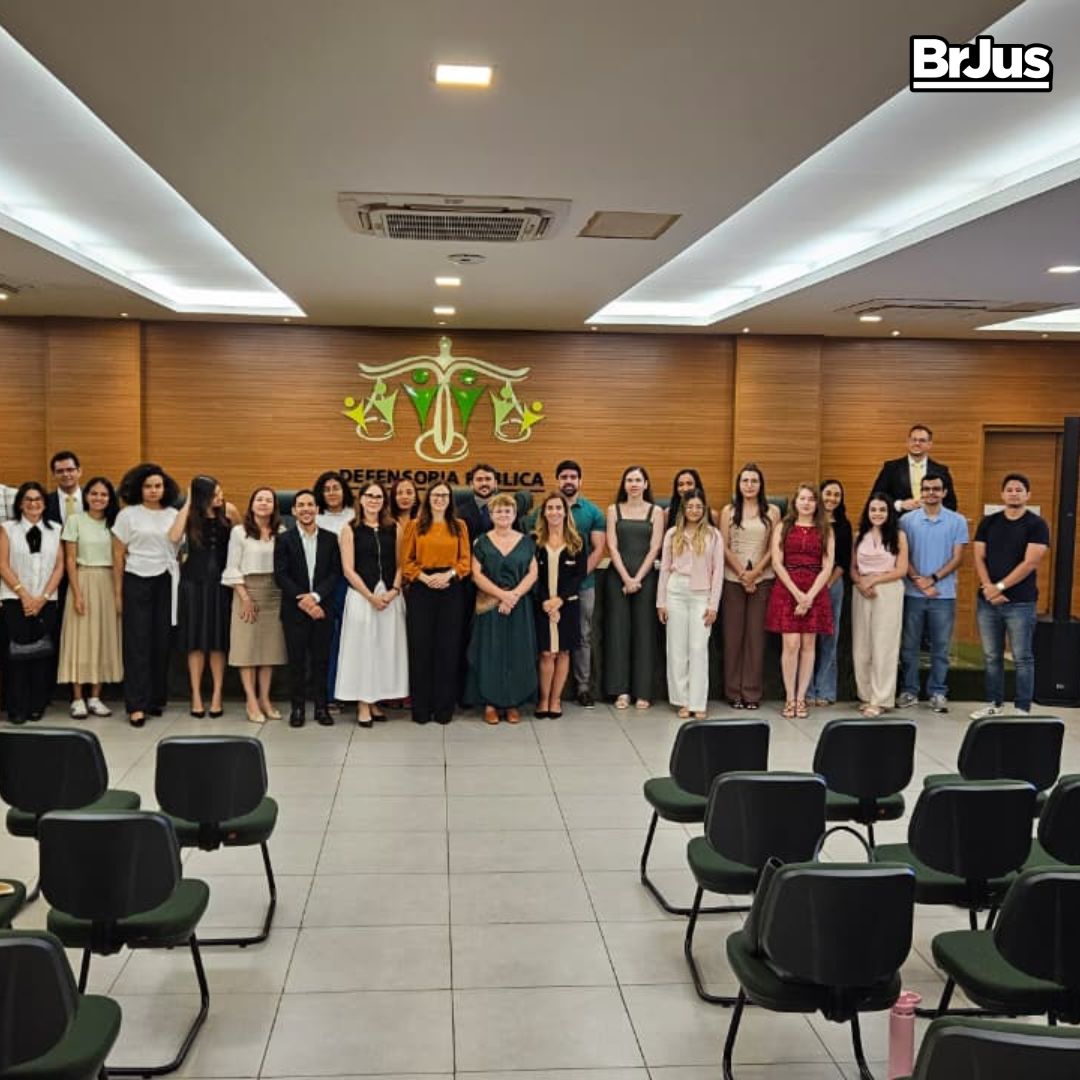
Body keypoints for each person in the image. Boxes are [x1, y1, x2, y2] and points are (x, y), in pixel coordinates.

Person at [971, 473, 1050, 719]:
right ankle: (994, 703)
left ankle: (1021, 707)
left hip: (1021, 603)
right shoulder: (989, 522)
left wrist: (1000, 587)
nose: (1014, 493)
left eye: (1019, 490)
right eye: (1010, 489)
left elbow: (1030, 562)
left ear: (1028, 495)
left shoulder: (1037, 525)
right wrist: (988, 587)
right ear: (1002, 494)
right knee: (991, 655)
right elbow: (978, 556)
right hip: (987, 602)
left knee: (1022, 657)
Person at [111, 463, 181, 727]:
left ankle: (154, 699)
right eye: (148, 486)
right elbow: (117, 556)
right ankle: (136, 705)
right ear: (139, 488)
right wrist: (118, 594)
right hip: (136, 579)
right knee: (137, 644)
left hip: (165, 580)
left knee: (160, 642)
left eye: (158, 486)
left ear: (166, 488)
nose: (153, 491)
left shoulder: (173, 514)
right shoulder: (128, 515)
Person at [335, 482, 407, 726]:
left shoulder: (394, 527)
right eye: (369, 496)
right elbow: (348, 569)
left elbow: (401, 564)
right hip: (361, 598)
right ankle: (362, 704)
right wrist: (370, 596)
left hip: (389, 598)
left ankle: (375, 699)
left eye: (379, 497)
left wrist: (394, 590)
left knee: (383, 651)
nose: (374, 500)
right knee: (363, 651)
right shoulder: (349, 529)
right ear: (361, 499)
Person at [896, 472, 968, 713]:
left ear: (944, 492)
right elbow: (902, 556)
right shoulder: (906, 520)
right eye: (926, 489)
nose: (930, 493)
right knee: (909, 646)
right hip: (912, 593)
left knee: (940, 647)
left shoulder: (957, 521)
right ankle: (909, 690)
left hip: (943, 595)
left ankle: (938, 692)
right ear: (921, 491)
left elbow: (958, 558)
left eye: (936, 489)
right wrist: (918, 580)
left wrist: (933, 579)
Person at [401, 482, 471, 724]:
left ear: (450, 499)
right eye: (435, 495)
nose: (440, 499)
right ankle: (421, 708)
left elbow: (465, 562)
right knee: (421, 648)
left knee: (447, 649)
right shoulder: (414, 525)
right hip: (422, 588)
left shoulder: (459, 526)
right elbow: (406, 561)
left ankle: (443, 709)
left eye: (444, 495)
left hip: (451, 588)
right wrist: (424, 577)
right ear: (428, 498)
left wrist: (448, 575)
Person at [764, 483, 835, 719]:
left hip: (815, 589)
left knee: (808, 646)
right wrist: (797, 594)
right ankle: (789, 697)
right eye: (802, 498)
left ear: (817, 504)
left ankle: (802, 698)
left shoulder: (825, 529)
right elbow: (776, 563)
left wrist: (810, 596)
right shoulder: (783, 526)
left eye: (811, 499)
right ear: (795, 502)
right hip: (787, 588)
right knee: (791, 645)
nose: (806, 503)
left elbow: (828, 566)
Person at [171, 476, 238, 717]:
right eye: (215, 494)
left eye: (221, 492)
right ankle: (196, 696)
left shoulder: (229, 511)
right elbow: (173, 537)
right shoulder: (189, 515)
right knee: (195, 643)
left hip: (220, 584)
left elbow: (239, 541)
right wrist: (189, 501)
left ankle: (218, 694)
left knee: (218, 642)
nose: (220, 497)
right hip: (193, 584)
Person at [468, 492, 538, 724]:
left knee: (517, 653)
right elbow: (475, 574)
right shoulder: (481, 541)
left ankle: (512, 703)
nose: (503, 514)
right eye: (498, 511)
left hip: (519, 606)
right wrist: (502, 595)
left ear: (514, 514)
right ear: (491, 514)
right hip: (489, 606)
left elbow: (533, 573)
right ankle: (490, 703)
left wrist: (514, 596)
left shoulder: (527, 541)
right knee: (490, 653)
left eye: (508, 510)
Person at [275, 489, 342, 728]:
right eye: (300, 505)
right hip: (294, 611)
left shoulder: (331, 538)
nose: (305, 509)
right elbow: (280, 575)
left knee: (321, 661)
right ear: (293, 511)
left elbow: (335, 573)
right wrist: (303, 601)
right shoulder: (284, 539)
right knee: (297, 662)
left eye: (310, 504)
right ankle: (298, 708)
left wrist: (315, 597)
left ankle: (322, 708)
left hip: (323, 608)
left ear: (317, 509)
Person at [57, 476, 122, 718]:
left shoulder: (114, 524)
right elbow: (70, 560)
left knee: (103, 638)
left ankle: (95, 696)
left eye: (104, 494)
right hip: (82, 580)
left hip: (107, 582)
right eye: (94, 493)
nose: (98, 498)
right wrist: (76, 593)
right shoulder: (75, 521)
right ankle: (77, 698)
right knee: (80, 639)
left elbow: (118, 560)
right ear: (86, 496)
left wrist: (117, 594)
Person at [0, 482, 64, 723]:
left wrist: (43, 597)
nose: (33, 504)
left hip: (46, 600)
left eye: (38, 499)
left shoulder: (55, 529)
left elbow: (59, 567)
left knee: (41, 654)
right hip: (14, 599)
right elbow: (3, 564)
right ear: (20, 504)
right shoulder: (8, 529)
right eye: (28, 500)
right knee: (16, 655)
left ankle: (37, 704)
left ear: (44, 504)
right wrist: (24, 595)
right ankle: (16, 707)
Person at [657, 489, 723, 719]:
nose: (694, 510)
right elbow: (664, 568)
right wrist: (661, 602)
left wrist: (713, 605)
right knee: (676, 649)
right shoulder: (672, 534)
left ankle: (698, 701)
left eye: (698, 506)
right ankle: (682, 700)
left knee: (698, 648)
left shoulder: (713, 535)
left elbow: (718, 572)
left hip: (701, 596)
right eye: (689, 506)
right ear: (683, 509)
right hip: (675, 592)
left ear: (704, 509)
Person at [223, 487, 287, 724]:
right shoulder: (239, 532)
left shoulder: (281, 531)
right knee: (247, 650)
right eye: (259, 499)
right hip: (246, 591)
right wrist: (245, 598)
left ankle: (265, 699)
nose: (263, 503)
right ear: (251, 505)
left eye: (268, 500)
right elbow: (232, 567)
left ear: (274, 506)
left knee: (268, 651)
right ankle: (251, 701)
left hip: (274, 592)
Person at [719, 463, 780, 710]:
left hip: (763, 580)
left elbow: (774, 548)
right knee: (733, 637)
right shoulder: (728, 510)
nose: (749, 485)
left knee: (756, 638)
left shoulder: (773, 511)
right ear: (738, 484)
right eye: (745, 481)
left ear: (761, 484)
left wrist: (755, 574)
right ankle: (733, 692)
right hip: (733, 580)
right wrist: (743, 574)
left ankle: (751, 693)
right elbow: (722, 545)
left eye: (754, 481)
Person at [603, 465, 664, 710]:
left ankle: (643, 692)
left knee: (644, 634)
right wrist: (626, 578)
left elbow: (655, 548)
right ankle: (621, 691)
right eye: (629, 480)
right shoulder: (613, 510)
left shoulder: (656, 511)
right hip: (618, 577)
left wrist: (637, 577)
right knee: (618, 633)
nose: (634, 484)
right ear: (624, 484)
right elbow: (612, 546)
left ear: (646, 484)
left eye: (638, 480)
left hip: (646, 578)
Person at [850, 493, 909, 717]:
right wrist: (861, 583)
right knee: (862, 645)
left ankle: (881, 698)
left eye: (882, 510)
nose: (877, 514)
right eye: (873, 509)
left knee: (884, 645)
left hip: (888, 589)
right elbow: (853, 568)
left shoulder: (899, 536)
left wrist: (873, 580)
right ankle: (866, 695)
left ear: (889, 512)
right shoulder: (859, 536)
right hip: (862, 590)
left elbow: (901, 569)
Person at [532, 492, 586, 720]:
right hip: (542, 605)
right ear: (544, 512)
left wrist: (559, 600)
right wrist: (546, 601)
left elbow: (579, 575)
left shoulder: (577, 540)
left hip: (568, 605)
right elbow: (532, 575)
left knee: (563, 652)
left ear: (566, 512)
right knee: (546, 654)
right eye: (550, 508)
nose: (554, 512)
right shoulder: (534, 541)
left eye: (558, 508)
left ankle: (556, 700)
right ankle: (543, 699)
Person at [806, 479, 852, 706]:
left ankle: (825, 689)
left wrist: (826, 583)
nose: (832, 498)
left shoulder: (843, 525)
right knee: (807, 639)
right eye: (828, 493)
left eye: (837, 495)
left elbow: (843, 561)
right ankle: (806, 691)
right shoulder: (809, 522)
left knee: (829, 639)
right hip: (805, 586)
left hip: (832, 586)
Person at [313, 471, 355, 709]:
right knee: (331, 640)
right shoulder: (316, 518)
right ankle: (330, 694)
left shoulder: (355, 516)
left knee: (353, 638)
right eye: (326, 489)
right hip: (326, 585)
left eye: (336, 488)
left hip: (354, 583)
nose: (331, 493)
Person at [872, 424, 958, 513]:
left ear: (929, 444)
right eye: (914, 440)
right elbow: (876, 498)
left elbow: (951, 504)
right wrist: (900, 505)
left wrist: (932, 505)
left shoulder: (941, 471)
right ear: (908, 442)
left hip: (931, 524)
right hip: (899, 523)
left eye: (922, 440)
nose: (917, 443)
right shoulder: (891, 468)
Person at [456, 463, 505, 539]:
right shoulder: (459, 513)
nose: (484, 483)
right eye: (479, 479)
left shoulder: (508, 510)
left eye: (488, 479)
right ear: (471, 484)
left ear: (495, 483)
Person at [44, 451, 84, 526]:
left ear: (79, 471)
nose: (65, 474)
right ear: (53, 475)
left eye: (70, 470)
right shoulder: (45, 502)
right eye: (60, 471)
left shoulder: (93, 499)